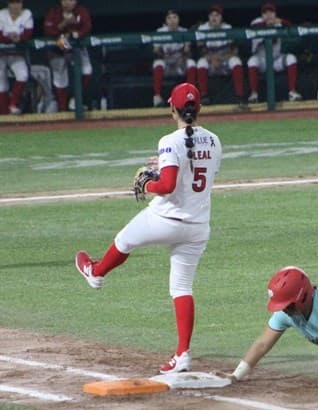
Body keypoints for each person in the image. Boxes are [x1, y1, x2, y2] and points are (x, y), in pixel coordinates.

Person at [75, 82, 222, 375]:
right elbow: (193, 167)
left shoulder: (169, 140)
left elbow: (166, 186)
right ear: (200, 109)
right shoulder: (216, 140)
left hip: (165, 220)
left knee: (124, 240)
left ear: (172, 109)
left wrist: (147, 182)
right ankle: (182, 355)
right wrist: (161, 165)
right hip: (197, 226)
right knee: (181, 288)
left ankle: (96, 272)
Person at [247, 3, 302, 103]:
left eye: (271, 12)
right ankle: (254, 94)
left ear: (275, 14)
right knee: (251, 61)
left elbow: (290, 26)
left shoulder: (279, 22)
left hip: (276, 60)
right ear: (262, 15)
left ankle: (292, 92)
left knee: (291, 58)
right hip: (262, 61)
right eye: (265, 13)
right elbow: (253, 27)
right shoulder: (257, 22)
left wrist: (279, 21)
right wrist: (266, 24)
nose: (268, 15)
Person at [43, 0, 92, 112]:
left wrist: (76, 33)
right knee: (60, 78)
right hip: (57, 47)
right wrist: (64, 24)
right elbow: (49, 30)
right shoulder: (54, 12)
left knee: (87, 71)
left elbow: (87, 27)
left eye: (72, 0)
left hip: (77, 47)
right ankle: (63, 110)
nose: (69, 3)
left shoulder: (81, 11)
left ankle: (75, 100)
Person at [195, 5, 246, 107]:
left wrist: (222, 58)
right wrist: (211, 58)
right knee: (201, 63)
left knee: (236, 61)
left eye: (217, 15)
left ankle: (240, 96)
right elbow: (200, 49)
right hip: (210, 62)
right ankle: (204, 96)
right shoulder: (202, 28)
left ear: (221, 17)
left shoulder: (228, 28)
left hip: (224, 61)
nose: (214, 18)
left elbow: (234, 50)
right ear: (208, 17)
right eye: (212, 15)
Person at [152, 10, 197, 107]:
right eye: (169, 18)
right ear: (166, 21)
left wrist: (183, 58)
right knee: (158, 63)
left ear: (178, 19)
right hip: (166, 64)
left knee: (191, 63)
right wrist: (163, 56)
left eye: (174, 17)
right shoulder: (160, 32)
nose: (172, 20)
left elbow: (187, 51)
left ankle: (190, 96)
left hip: (179, 64)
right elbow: (156, 51)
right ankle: (157, 97)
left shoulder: (184, 31)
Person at [0, 0, 32, 115]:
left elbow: (28, 33)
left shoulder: (27, 14)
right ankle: (3, 114)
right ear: (8, 4)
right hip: (1, 54)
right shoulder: (1, 14)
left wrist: (19, 38)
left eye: (18, 2)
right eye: (13, 2)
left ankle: (12, 103)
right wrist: (9, 38)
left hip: (16, 53)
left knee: (23, 75)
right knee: (1, 84)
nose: (16, 5)